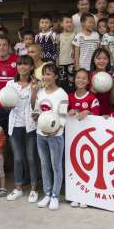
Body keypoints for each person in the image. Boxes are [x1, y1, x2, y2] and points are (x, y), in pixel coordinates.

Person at [3, 56, 40, 202]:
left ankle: (33, 189)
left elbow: (36, 105)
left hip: (31, 125)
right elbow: (5, 103)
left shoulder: (36, 83)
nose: (22, 67)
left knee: (31, 157)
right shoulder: (10, 84)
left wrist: (34, 90)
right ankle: (18, 188)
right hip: (15, 125)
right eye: (19, 64)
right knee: (18, 158)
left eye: (25, 64)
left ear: (31, 67)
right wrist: (6, 105)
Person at [34, 63, 68, 211]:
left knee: (56, 166)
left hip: (56, 136)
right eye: (44, 74)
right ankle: (47, 193)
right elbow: (36, 111)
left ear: (55, 76)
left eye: (49, 74)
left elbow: (63, 116)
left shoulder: (62, 94)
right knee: (44, 164)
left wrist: (55, 130)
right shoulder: (40, 92)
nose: (46, 77)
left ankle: (55, 195)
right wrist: (36, 120)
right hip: (40, 134)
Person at [0, 36, 19, 130]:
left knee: (15, 137)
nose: (1, 47)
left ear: (9, 46)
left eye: (4, 45)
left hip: (16, 105)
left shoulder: (18, 60)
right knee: (1, 137)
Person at [90, 48, 114, 115]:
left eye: (105, 58)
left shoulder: (112, 76)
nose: (101, 61)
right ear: (93, 60)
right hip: (91, 113)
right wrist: (92, 90)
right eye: (98, 58)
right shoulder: (89, 75)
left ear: (108, 61)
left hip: (107, 114)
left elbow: (112, 102)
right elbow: (86, 98)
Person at [57, 15, 76, 91]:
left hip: (71, 62)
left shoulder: (75, 35)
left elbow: (76, 49)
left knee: (72, 82)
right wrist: (57, 62)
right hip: (61, 63)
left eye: (71, 22)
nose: (69, 24)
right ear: (62, 24)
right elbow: (57, 50)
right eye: (67, 22)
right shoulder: (58, 36)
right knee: (62, 82)